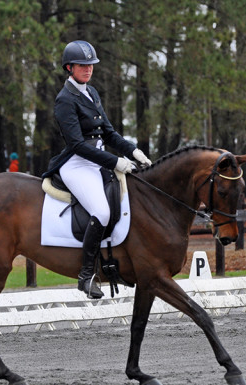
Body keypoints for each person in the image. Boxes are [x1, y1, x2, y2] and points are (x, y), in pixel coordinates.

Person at [42, 40, 152, 299]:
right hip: (77, 165)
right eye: (82, 65)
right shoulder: (65, 99)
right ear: (69, 67)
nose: (88, 69)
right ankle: (86, 275)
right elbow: (78, 145)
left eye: (90, 65)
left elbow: (109, 133)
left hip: (97, 161)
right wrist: (115, 162)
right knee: (101, 211)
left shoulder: (92, 92)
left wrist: (132, 151)